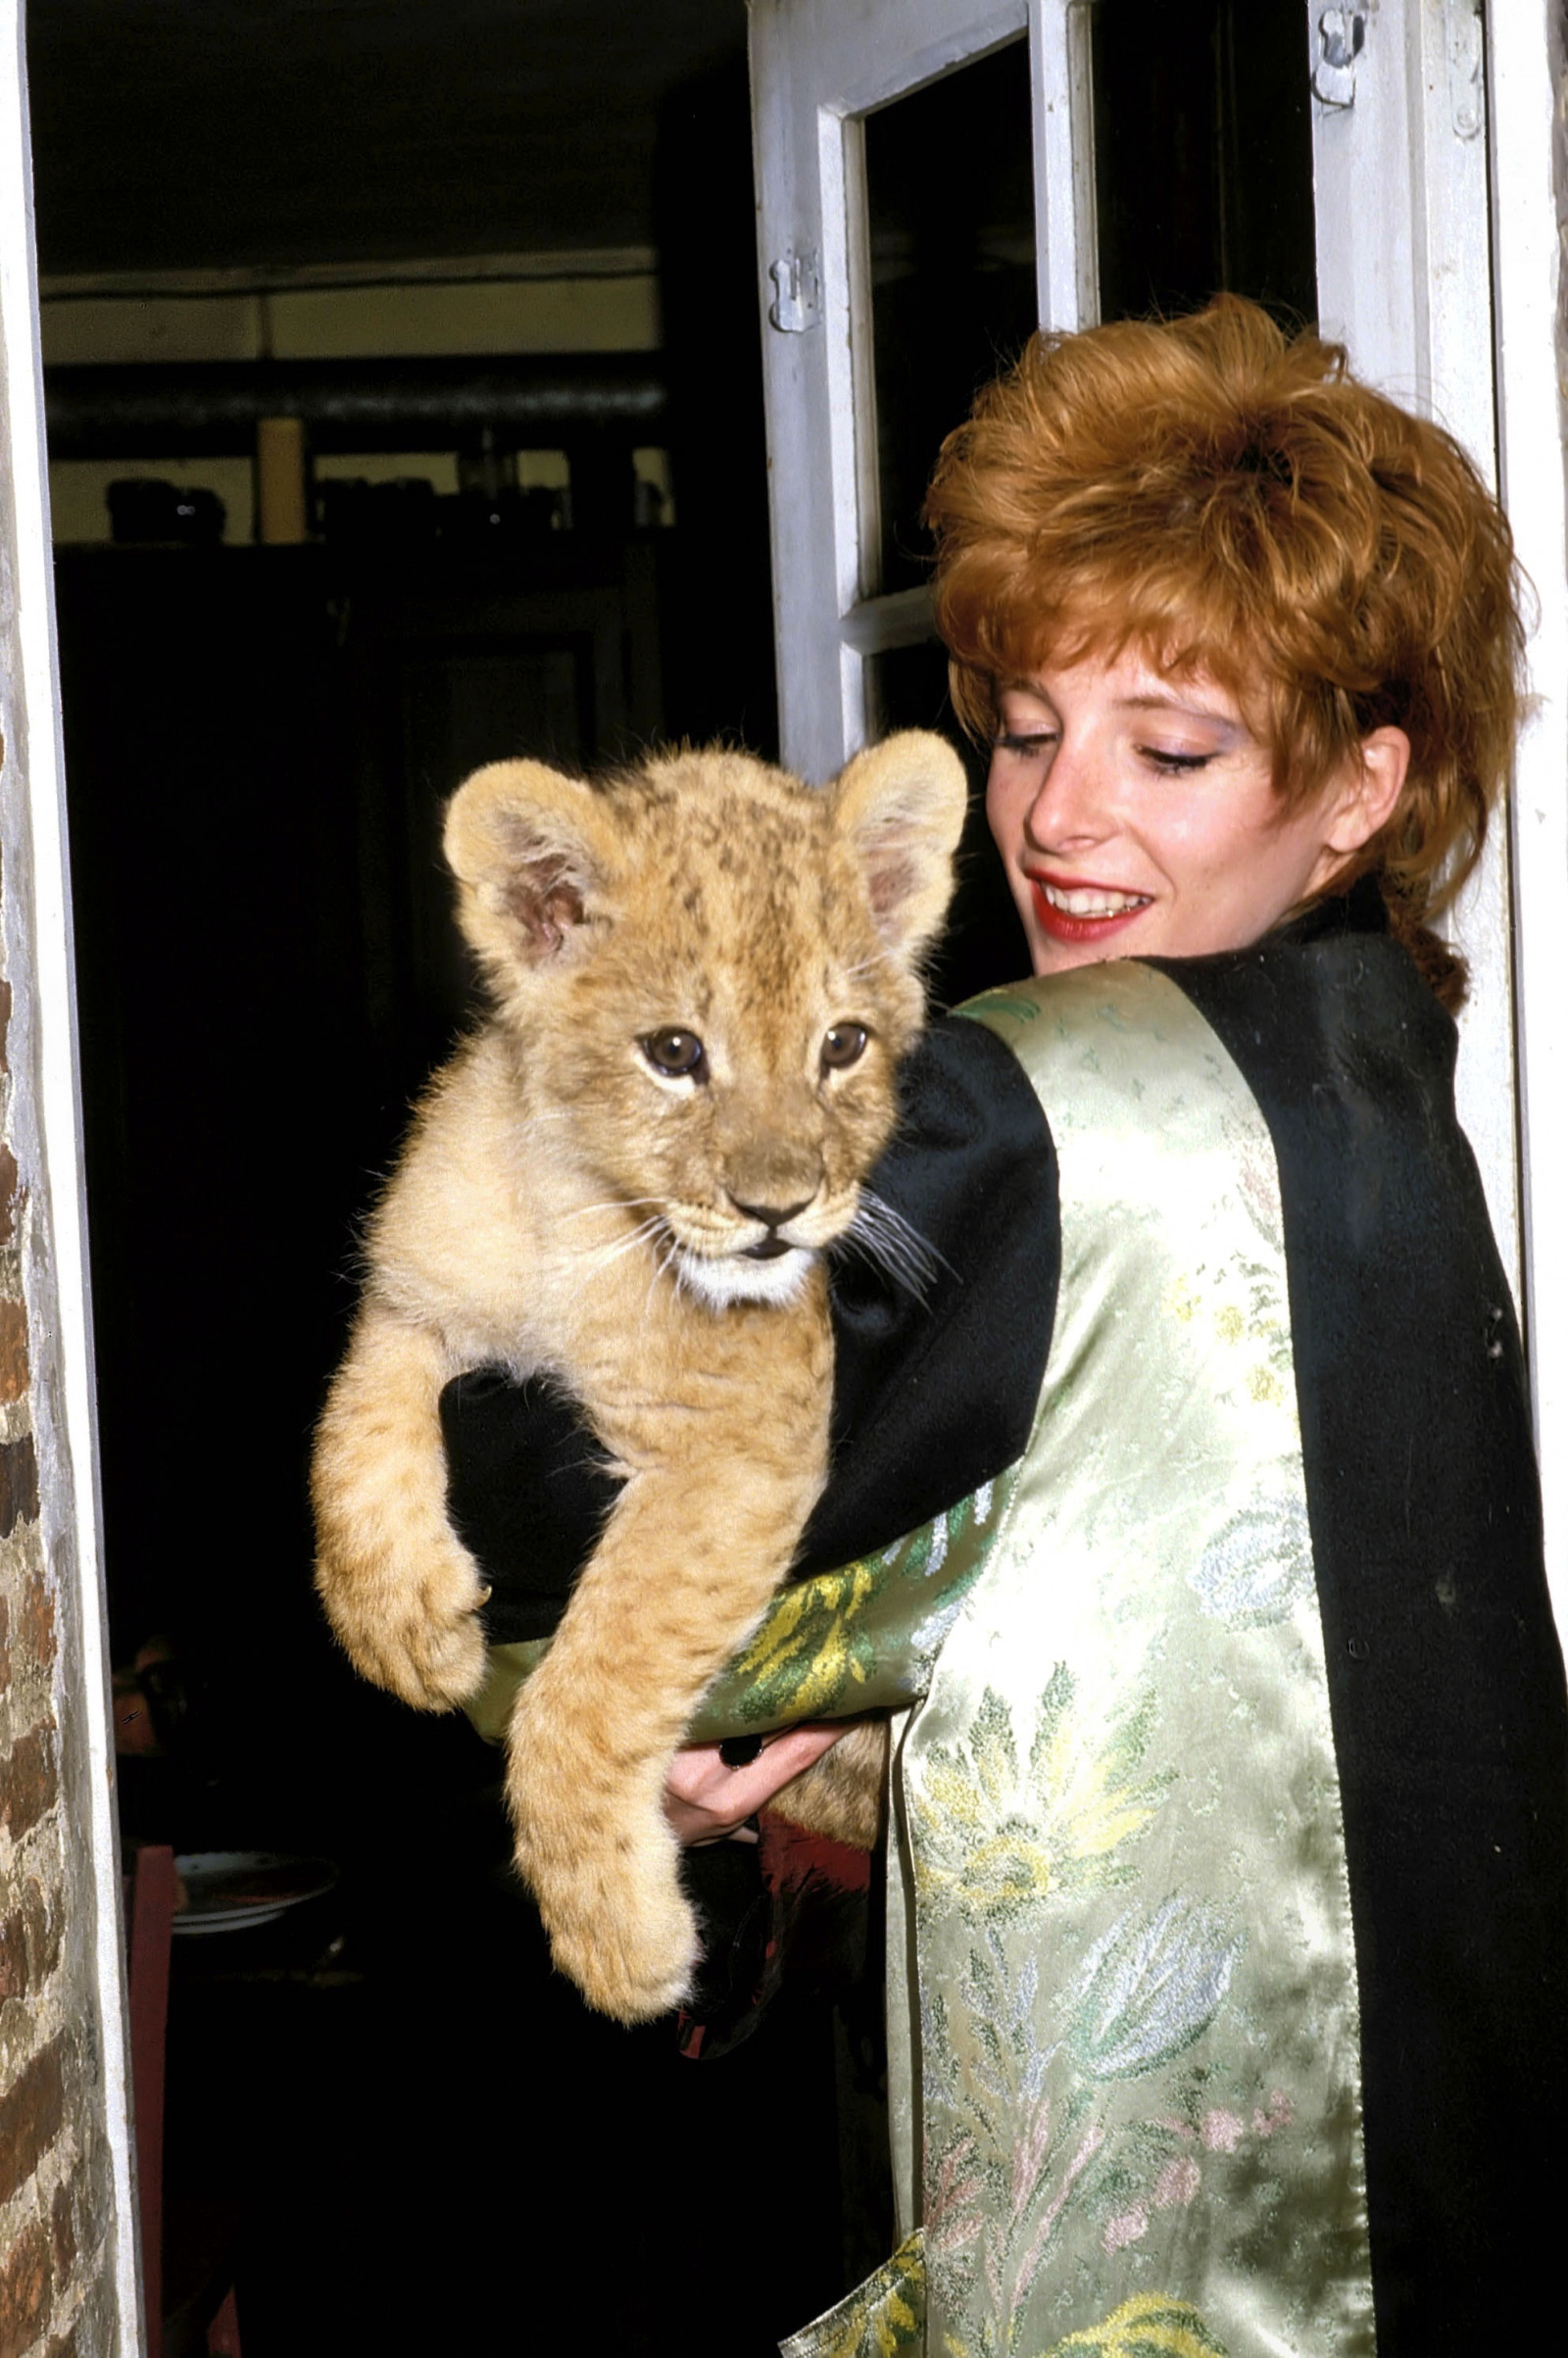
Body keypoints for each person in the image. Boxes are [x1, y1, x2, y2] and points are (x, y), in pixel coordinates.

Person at [439, 298, 1567, 2354]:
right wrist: (862, 1720)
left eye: (1171, 749)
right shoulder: (1374, 1068)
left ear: (1352, 790)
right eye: (1028, 725)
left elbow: (520, 1501)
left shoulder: (1030, 1095)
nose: (1054, 818)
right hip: (1443, 2177)